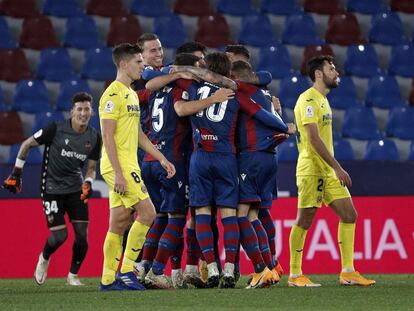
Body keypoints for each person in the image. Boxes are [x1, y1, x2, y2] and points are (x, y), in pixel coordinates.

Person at [175, 52, 292, 288]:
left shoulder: (194, 87)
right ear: (228, 72)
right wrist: (284, 125)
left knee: (202, 215)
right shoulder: (235, 92)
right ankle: (231, 269)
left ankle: (212, 266)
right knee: (231, 215)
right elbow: (259, 113)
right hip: (227, 157)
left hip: (200, 157)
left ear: (207, 68)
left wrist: (181, 70)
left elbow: (176, 99)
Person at [288, 55, 376, 287]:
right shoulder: (307, 100)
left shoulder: (323, 100)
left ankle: (348, 271)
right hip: (312, 169)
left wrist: (332, 168)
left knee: (350, 215)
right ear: (319, 73)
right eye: (332, 68)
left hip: (327, 170)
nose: (337, 73)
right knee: (305, 219)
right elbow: (314, 139)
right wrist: (337, 167)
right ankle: (295, 274)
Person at [3, 92, 101, 286]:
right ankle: (44, 258)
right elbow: (26, 144)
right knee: (60, 235)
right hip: (52, 188)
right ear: (72, 111)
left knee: (82, 236)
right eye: (79, 109)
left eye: (87, 109)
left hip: (75, 189)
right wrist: (16, 173)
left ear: (92, 112)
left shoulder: (94, 137)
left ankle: (72, 276)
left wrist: (88, 182)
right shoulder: (56, 129)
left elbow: (91, 168)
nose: (83, 113)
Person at [98, 43, 175, 291]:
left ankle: (109, 279)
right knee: (148, 213)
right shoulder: (111, 95)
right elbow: (107, 137)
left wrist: (161, 158)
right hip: (117, 167)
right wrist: (119, 173)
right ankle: (128, 271)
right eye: (138, 62)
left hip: (129, 163)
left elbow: (139, 134)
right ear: (123, 64)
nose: (143, 66)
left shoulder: (131, 93)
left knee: (119, 221)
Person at [230, 61, 296, 288]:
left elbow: (261, 116)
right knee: (253, 215)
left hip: (252, 157)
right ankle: (271, 268)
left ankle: (262, 269)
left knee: (240, 214)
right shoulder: (263, 92)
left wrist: (283, 126)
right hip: (269, 157)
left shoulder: (240, 92)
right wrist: (281, 122)